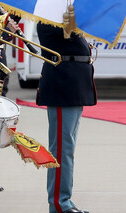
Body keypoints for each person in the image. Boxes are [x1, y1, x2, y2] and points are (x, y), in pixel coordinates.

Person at [37, 23, 97, 213]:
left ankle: (64, 200)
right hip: (63, 85)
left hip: (72, 85)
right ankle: (58, 202)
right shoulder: (49, 19)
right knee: (62, 149)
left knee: (66, 148)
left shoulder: (63, 18)